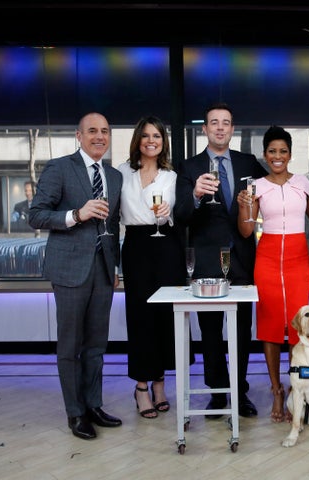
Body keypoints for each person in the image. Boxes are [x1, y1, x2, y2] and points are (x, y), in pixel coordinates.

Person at [28, 112, 123, 440]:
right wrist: (75, 214)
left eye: (105, 131)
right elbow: (36, 215)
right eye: (93, 131)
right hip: (70, 268)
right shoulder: (60, 168)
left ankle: (94, 404)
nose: (100, 136)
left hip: (102, 269)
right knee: (70, 345)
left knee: (97, 344)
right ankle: (75, 412)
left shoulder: (113, 175)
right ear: (79, 136)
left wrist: (115, 267)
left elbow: (111, 226)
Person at [174, 102, 268, 418]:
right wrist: (196, 195)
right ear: (205, 128)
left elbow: (275, 188)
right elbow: (180, 216)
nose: (219, 127)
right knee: (211, 332)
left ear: (232, 128)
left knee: (241, 331)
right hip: (206, 261)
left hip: (242, 258)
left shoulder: (248, 162)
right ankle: (216, 392)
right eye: (213, 122)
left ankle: (239, 392)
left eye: (225, 122)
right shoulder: (188, 167)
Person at [236, 125, 309, 423]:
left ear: (290, 155)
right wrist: (245, 208)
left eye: (283, 151)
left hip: (298, 257)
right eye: (272, 151)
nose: (277, 156)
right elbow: (245, 231)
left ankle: (296, 388)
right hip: (266, 257)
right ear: (265, 154)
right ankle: (276, 390)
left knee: (298, 325)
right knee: (268, 325)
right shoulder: (255, 187)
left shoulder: (304, 184)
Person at [117, 115, 185, 419]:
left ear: (163, 142)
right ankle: (141, 387)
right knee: (140, 317)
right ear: (138, 140)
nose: (151, 141)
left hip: (167, 246)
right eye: (146, 136)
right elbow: (113, 218)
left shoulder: (171, 176)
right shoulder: (121, 173)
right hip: (136, 247)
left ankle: (160, 384)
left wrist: (167, 214)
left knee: (164, 318)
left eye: (157, 136)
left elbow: (178, 216)